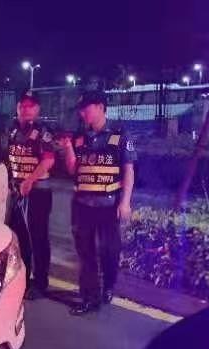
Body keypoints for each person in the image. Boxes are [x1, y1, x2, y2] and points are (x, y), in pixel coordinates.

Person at [59, 90, 136, 316]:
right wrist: (68, 148)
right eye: (81, 110)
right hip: (83, 205)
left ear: (101, 107)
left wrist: (125, 202)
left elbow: (128, 170)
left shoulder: (120, 135)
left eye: (87, 108)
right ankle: (89, 297)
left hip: (109, 206)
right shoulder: (80, 137)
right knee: (86, 253)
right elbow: (73, 169)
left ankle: (108, 285)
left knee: (110, 251)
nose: (82, 113)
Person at [5, 90, 56, 300]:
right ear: (17, 107)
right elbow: (9, 158)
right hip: (17, 192)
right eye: (22, 105)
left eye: (31, 106)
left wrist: (30, 180)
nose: (26, 109)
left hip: (38, 192)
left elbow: (48, 160)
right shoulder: (11, 129)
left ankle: (41, 283)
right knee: (20, 239)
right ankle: (23, 279)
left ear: (37, 109)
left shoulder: (43, 131)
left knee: (38, 239)